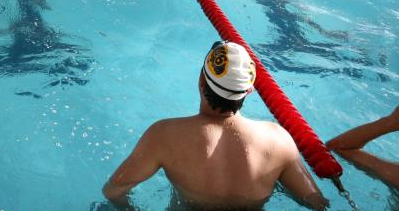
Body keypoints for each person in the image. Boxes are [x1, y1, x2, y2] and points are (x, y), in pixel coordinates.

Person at [102, 41, 329, 210]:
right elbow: (316, 203)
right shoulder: (278, 140)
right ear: (249, 91)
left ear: (201, 80)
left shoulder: (164, 136)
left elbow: (113, 191)